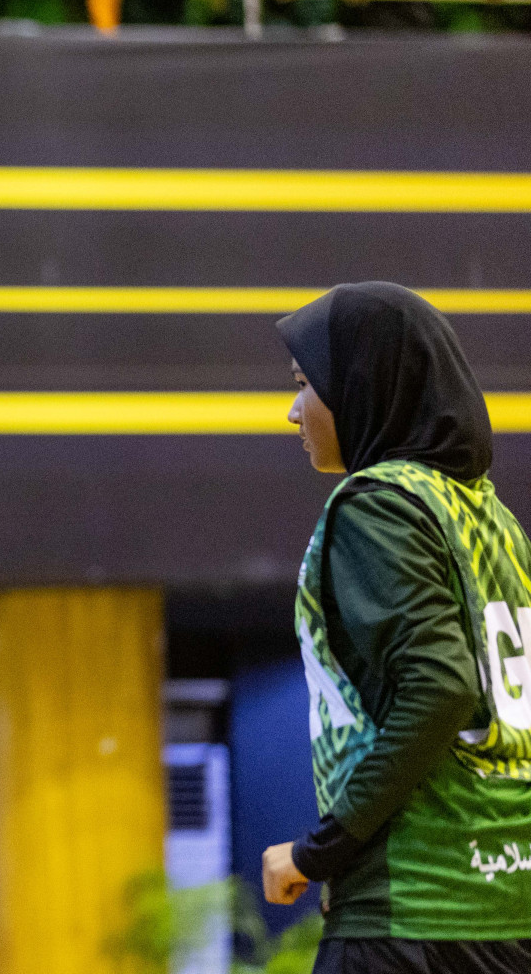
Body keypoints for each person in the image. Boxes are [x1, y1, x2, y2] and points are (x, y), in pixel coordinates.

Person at [261, 282, 531, 971]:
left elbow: (438, 686)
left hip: (413, 912)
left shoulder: (377, 506)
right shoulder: (491, 518)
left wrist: (320, 852)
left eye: (304, 384)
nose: (293, 411)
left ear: (361, 385)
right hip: (508, 909)